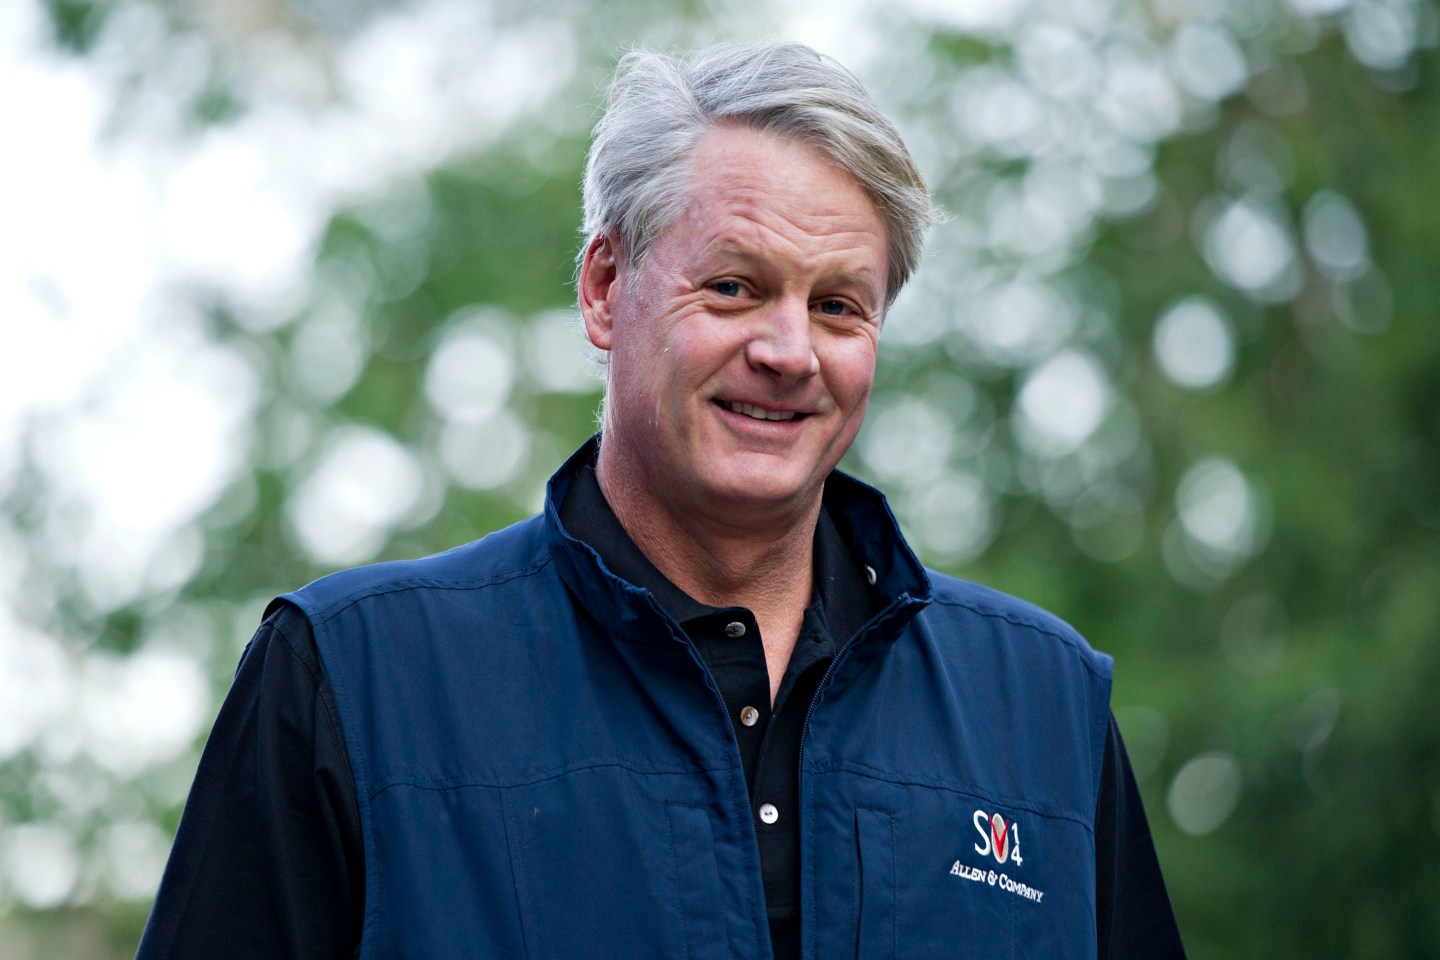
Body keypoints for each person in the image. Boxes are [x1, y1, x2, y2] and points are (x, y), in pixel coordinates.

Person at [137, 41, 1185, 960]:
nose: (786, 352)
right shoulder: (353, 680)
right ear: (604, 287)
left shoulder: (1044, 705)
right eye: (732, 286)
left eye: (837, 307)